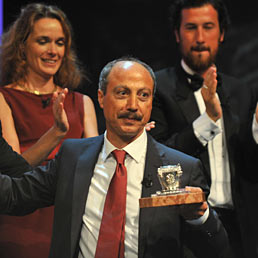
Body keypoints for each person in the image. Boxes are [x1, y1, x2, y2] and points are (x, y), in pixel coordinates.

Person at [0, 57, 230, 258]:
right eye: (122, 93)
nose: (133, 106)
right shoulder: (72, 157)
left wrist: (200, 218)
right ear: (101, 98)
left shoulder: (182, 168)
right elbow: (15, 196)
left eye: (143, 95)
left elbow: (217, 249)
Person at [149, 0, 258, 257]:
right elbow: (157, 157)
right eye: (191, 27)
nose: (199, 38)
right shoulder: (157, 88)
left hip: (239, 228)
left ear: (221, 33)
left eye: (208, 27)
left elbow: (252, 170)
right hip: (183, 228)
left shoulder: (242, 91)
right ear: (177, 34)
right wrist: (208, 120)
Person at [0, 3, 98, 257]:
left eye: (60, 42)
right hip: (22, 226)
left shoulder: (82, 102)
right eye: (43, 41)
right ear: (22, 47)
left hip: (71, 224)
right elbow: (13, 170)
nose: (53, 51)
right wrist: (56, 132)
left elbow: (97, 171)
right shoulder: (4, 99)